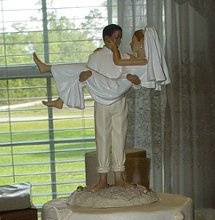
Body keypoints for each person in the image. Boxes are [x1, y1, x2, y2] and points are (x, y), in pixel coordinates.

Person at [34, 25, 170, 190]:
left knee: (119, 137)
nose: (119, 40)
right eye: (115, 37)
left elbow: (135, 78)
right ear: (107, 38)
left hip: (118, 99)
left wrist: (135, 81)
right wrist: (84, 79)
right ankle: (102, 178)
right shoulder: (96, 56)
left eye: (120, 37)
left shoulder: (125, 57)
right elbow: (86, 79)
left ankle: (119, 176)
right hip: (102, 100)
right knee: (102, 138)